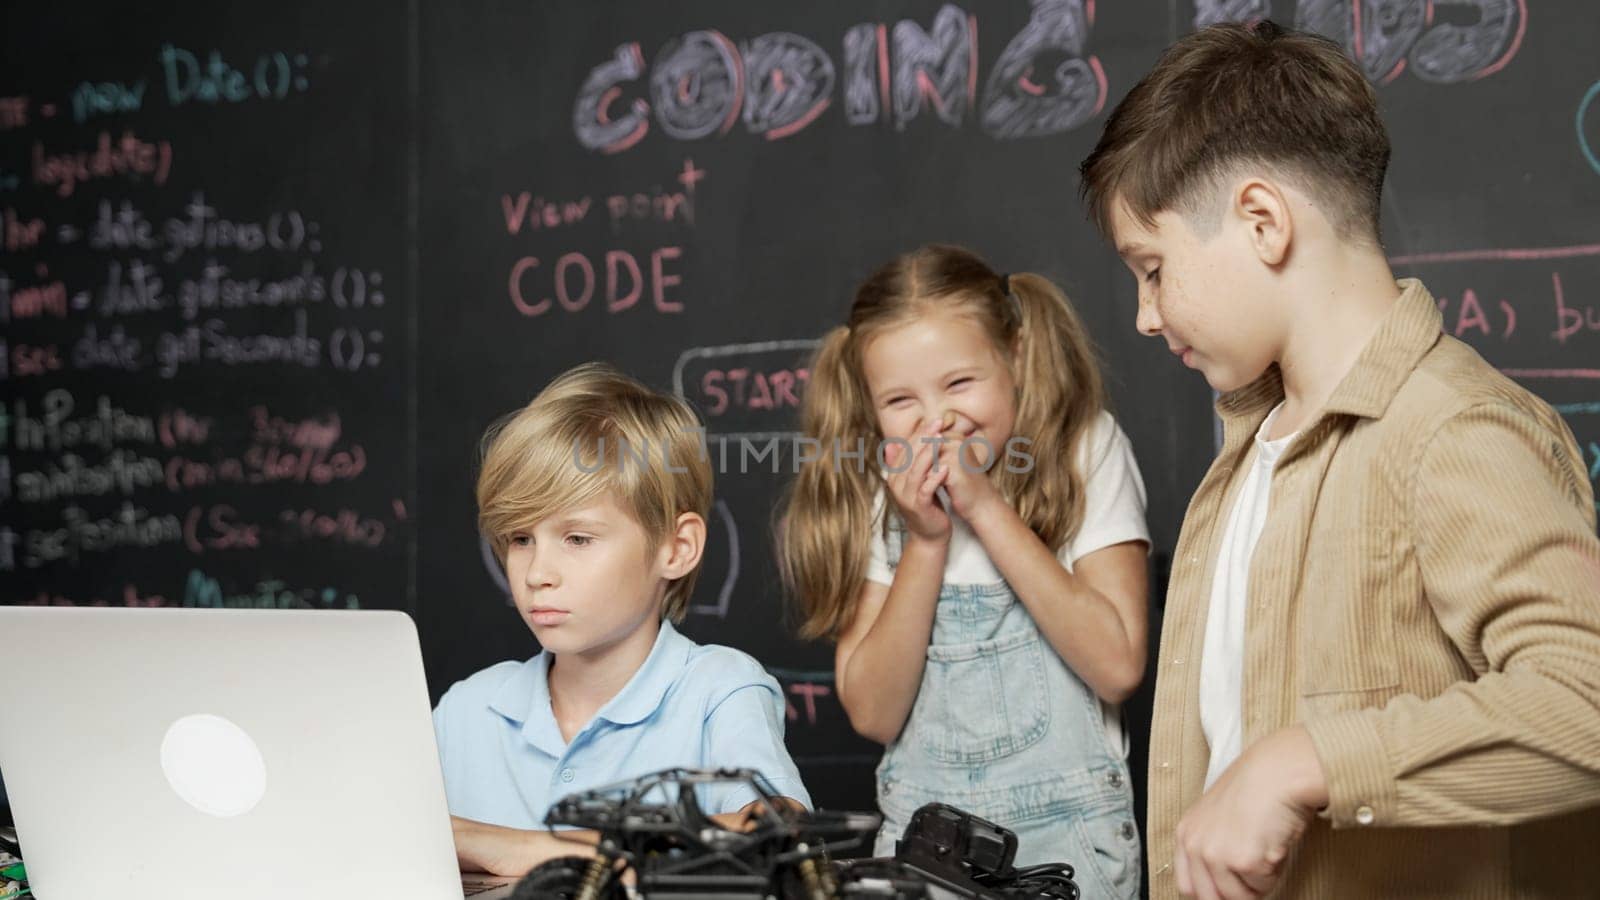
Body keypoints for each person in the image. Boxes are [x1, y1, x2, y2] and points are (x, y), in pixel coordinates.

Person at [1078, 19, 1600, 900]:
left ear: (1261, 221)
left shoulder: (1452, 431)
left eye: (1153, 268)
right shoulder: (1251, 458)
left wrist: (1304, 761)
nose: (1145, 315)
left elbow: (1586, 702)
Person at [780, 244, 1151, 899]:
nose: (937, 420)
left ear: (1015, 355)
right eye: (901, 400)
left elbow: (1116, 665)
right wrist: (923, 543)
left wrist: (983, 507)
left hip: (1067, 855)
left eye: (959, 384)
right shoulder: (879, 493)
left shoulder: (1084, 450)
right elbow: (874, 713)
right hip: (924, 855)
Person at [434, 362, 811, 877]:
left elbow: (775, 834)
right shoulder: (467, 709)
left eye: (578, 539)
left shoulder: (716, 690)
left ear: (676, 549)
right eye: (521, 539)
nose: (537, 573)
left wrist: (508, 847)